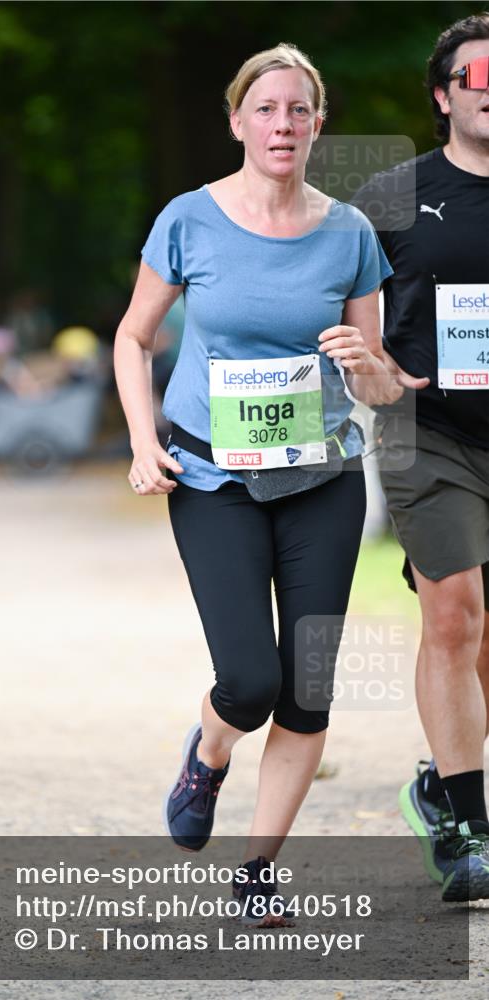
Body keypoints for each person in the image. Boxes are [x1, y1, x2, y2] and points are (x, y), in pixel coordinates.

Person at [114, 44, 413, 923]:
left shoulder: (350, 233)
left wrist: (370, 366)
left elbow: (379, 383)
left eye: (298, 110)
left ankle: (255, 873)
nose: (282, 125)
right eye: (266, 109)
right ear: (238, 120)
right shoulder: (188, 220)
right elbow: (133, 338)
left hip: (321, 480)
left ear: (317, 124)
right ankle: (207, 755)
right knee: (248, 681)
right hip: (212, 476)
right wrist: (141, 442)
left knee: (306, 689)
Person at [353, 12, 489, 902]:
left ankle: (442, 782)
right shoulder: (392, 196)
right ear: (443, 96)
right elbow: (335, 306)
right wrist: (373, 373)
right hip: (425, 431)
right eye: (477, 76)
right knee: (454, 616)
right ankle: (465, 831)